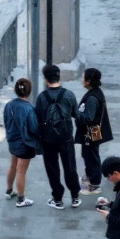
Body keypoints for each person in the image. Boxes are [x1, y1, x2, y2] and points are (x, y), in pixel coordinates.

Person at [35, 63, 81, 209]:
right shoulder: (68, 95)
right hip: (66, 137)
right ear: (58, 77)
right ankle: (74, 196)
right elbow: (76, 114)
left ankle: (58, 199)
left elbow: (38, 118)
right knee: (70, 167)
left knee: (52, 169)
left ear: (45, 79)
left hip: (48, 140)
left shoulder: (42, 97)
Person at [74, 67, 113, 195]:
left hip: (91, 131)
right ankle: (90, 176)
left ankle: (94, 183)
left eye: (83, 77)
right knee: (88, 154)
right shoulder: (96, 92)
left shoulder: (92, 98)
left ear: (88, 81)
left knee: (91, 156)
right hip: (95, 130)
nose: (82, 79)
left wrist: (76, 114)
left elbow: (89, 117)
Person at [3, 78, 41, 208]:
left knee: (13, 166)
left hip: (12, 142)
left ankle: (9, 190)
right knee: (21, 171)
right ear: (29, 92)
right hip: (25, 144)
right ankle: (21, 199)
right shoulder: (29, 109)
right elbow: (34, 128)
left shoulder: (9, 105)